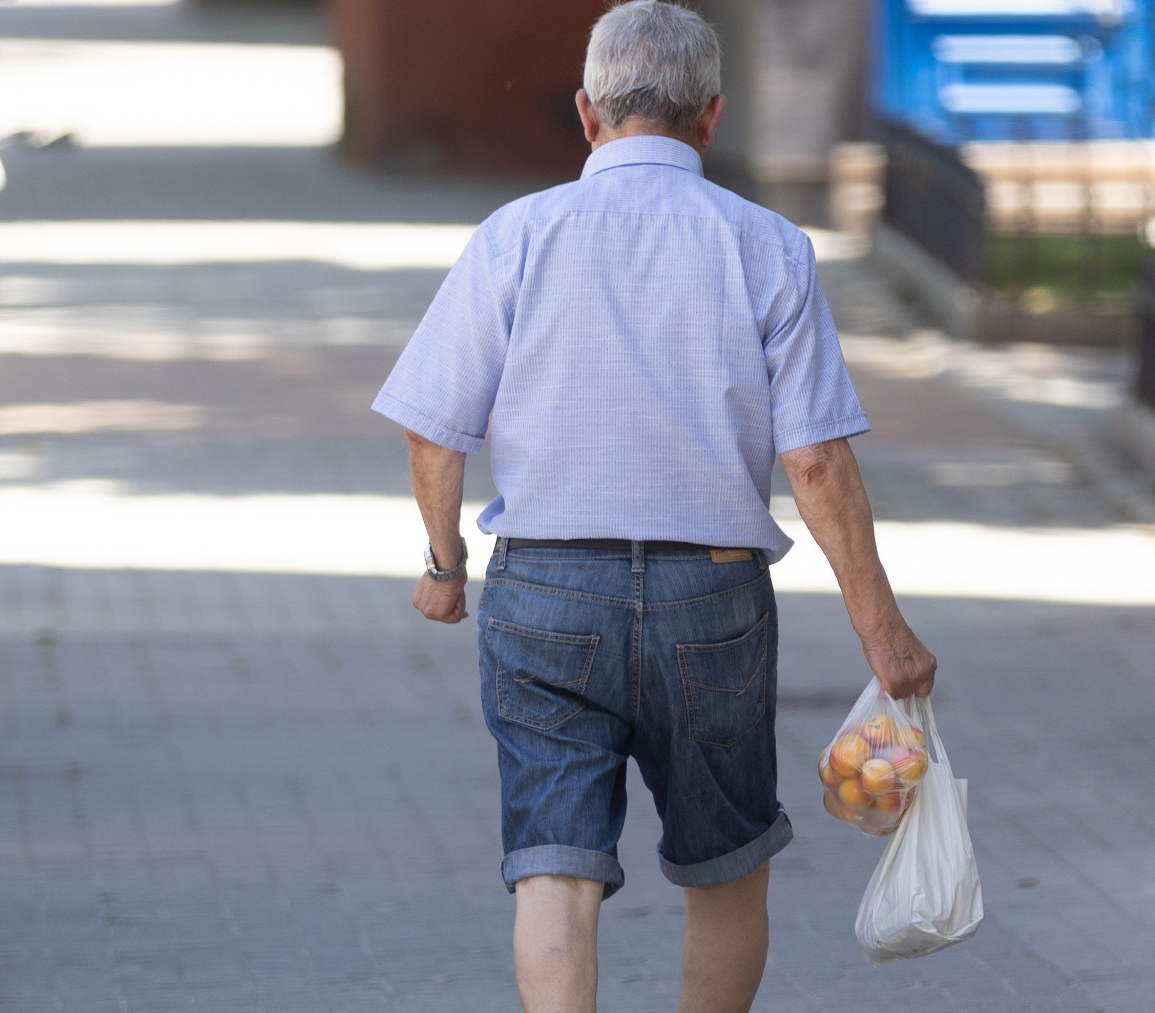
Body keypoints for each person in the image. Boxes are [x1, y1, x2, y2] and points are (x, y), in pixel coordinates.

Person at [372, 3, 935, 1009]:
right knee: (725, 867)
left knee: (554, 859)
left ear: (588, 114)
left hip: (543, 589)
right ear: (712, 118)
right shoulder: (769, 246)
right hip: (710, 602)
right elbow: (814, 459)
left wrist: (445, 563)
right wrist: (881, 628)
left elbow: (432, 427)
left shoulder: (517, 236)